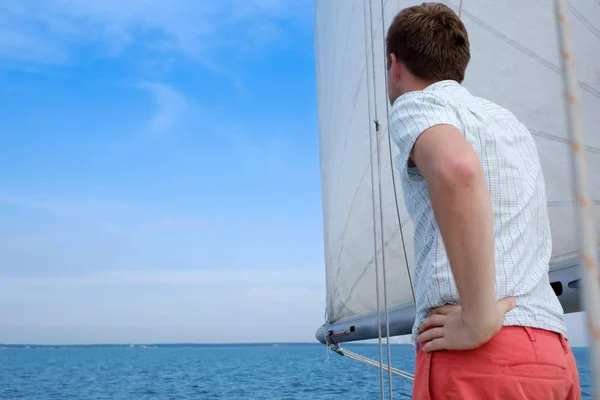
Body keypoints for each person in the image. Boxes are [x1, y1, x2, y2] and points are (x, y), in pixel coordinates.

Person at [385, 3, 580, 399]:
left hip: (477, 357)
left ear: (395, 65)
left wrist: (476, 319)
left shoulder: (417, 104)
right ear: (459, 65)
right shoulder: (510, 124)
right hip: (550, 353)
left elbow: (457, 170)